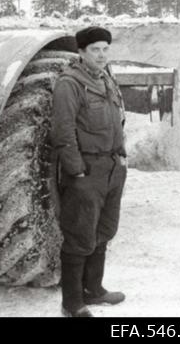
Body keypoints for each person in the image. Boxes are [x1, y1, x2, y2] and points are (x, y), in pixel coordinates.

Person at [51, 26, 128, 317]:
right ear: (81, 52)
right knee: (79, 236)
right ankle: (72, 304)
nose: (101, 55)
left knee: (104, 231)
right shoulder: (70, 83)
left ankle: (94, 290)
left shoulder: (106, 79)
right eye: (95, 49)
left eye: (105, 49)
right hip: (86, 171)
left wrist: (121, 158)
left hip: (111, 168)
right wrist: (77, 172)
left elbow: (117, 121)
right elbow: (63, 131)